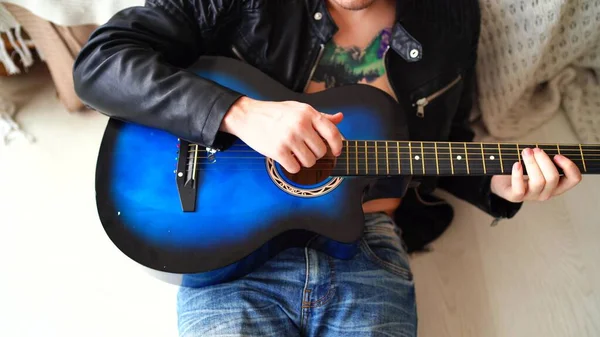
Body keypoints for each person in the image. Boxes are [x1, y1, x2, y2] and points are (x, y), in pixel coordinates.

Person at [72, 0, 583, 336]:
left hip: (368, 250)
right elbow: (101, 63)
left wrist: (500, 183)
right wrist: (240, 113)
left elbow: (436, 141)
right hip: (226, 258)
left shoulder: (450, 15)